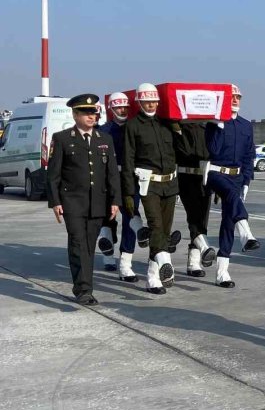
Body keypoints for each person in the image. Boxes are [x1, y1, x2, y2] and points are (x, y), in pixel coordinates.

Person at [46, 94, 122, 305]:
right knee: (78, 243)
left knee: (89, 246)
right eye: (86, 112)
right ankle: (84, 290)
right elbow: (53, 175)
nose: (92, 116)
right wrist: (56, 202)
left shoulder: (104, 140)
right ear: (75, 114)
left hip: (98, 202)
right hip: (72, 202)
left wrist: (115, 201)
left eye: (94, 112)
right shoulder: (62, 139)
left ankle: (83, 285)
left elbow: (112, 174)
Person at [123, 83, 179, 293]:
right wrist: (129, 191)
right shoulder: (133, 126)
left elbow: (180, 152)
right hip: (149, 185)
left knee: (163, 231)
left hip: (170, 183)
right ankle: (165, 263)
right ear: (139, 102)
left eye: (153, 100)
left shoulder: (167, 124)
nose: (150, 104)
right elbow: (128, 159)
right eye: (146, 101)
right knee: (155, 226)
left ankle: (152, 277)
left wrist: (180, 130)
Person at [204, 84, 260, 287]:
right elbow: (213, 149)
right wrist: (218, 125)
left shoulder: (246, 126)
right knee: (230, 195)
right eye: (231, 97)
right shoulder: (214, 123)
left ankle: (222, 273)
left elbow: (248, 156)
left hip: (236, 177)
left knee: (228, 221)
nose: (235, 100)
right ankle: (246, 233)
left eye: (238, 97)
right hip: (216, 173)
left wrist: (246, 181)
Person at [97, 92, 148, 282]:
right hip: (108, 179)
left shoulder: (134, 128)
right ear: (111, 108)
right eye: (118, 107)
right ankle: (108, 254)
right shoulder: (103, 131)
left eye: (125, 107)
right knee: (107, 216)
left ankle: (126, 264)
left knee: (130, 215)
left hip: (130, 178)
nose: (122, 110)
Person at [171, 118, 217, 277]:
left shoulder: (209, 127)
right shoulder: (178, 126)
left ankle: (193, 263)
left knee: (202, 219)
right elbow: (179, 152)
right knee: (194, 217)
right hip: (185, 177)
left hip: (204, 179)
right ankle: (204, 250)